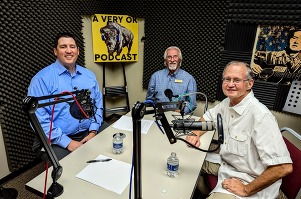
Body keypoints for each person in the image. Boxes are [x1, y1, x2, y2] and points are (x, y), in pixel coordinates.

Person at [186, 61, 293, 198]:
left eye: (236, 80)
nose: (230, 84)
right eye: (227, 79)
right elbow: (207, 118)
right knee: (188, 161)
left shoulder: (261, 116)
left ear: (249, 84)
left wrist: (246, 189)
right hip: (228, 164)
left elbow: (283, 167)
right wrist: (195, 133)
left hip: (249, 179)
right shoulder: (227, 102)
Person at [27, 32, 105, 160]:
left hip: (88, 130)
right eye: (63, 47)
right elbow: (38, 119)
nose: (69, 51)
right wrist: (68, 143)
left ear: (78, 51)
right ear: (55, 51)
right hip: (57, 138)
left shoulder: (89, 75)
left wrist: (93, 130)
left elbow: (98, 104)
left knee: (112, 146)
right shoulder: (41, 80)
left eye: (72, 46)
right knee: (73, 167)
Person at [146, 46, 197, 114]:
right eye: (169, 57)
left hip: (178, 117)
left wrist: (182, 111)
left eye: (175, 56)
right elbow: (149, 100)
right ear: (165, 60)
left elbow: (192, 103)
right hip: (159, 115)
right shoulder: (155, 77)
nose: (172, 60)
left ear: (180, 59)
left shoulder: (189, 79)